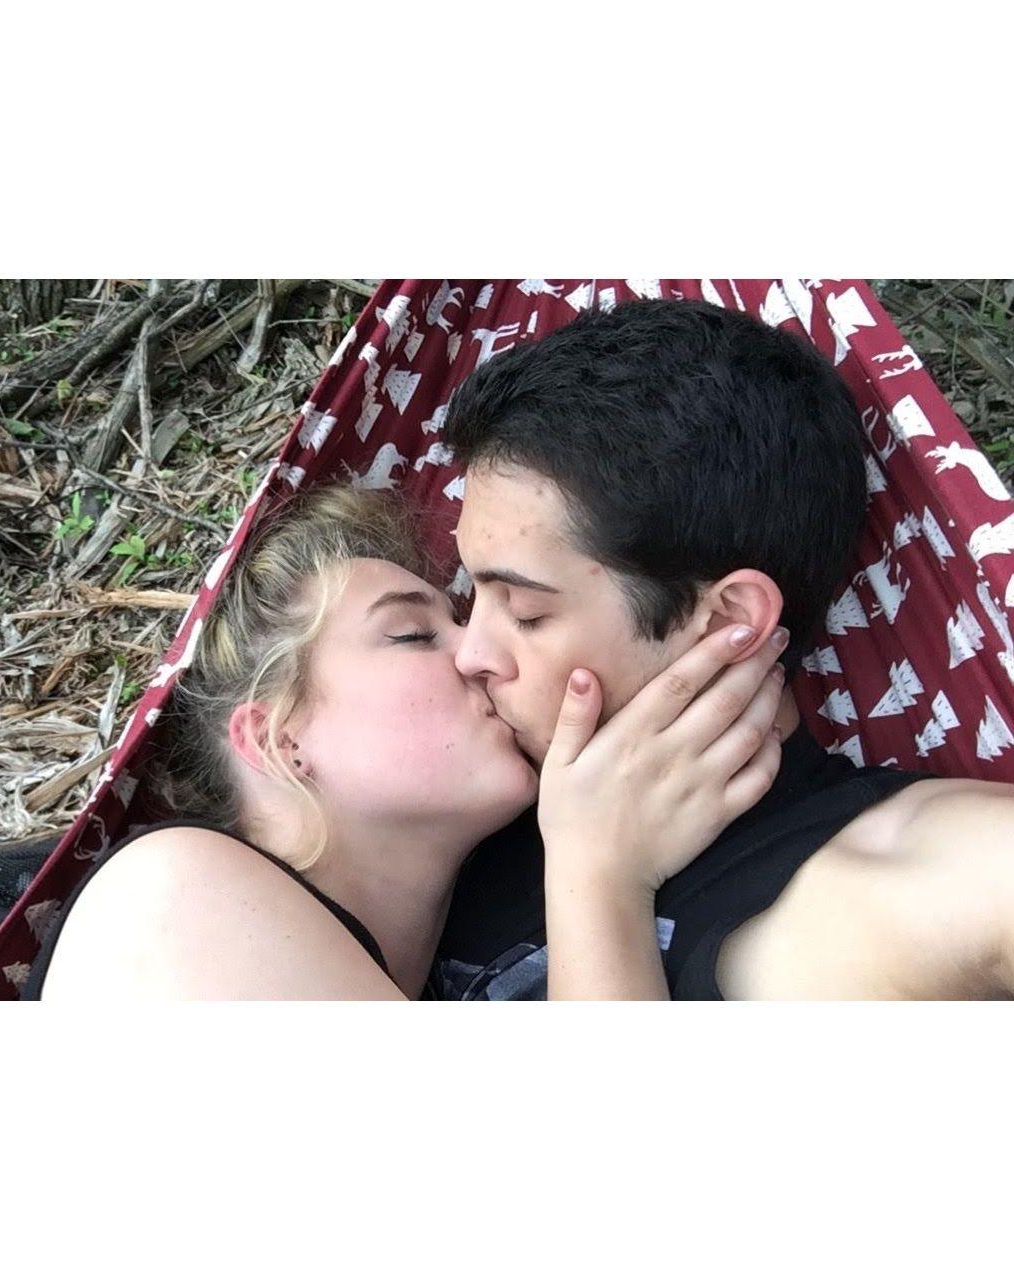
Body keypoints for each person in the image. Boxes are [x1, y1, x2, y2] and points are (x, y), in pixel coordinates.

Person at [434, 296, 1014, 1000]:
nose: (469, 653)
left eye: (524, 611)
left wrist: (597, 876)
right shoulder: (454, 801)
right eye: (469, 597)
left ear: (726, 623)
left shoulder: (893, 882)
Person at [31, 485, 787, 1000]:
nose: (477, 652)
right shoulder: (173, 899)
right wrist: (601, 877)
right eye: (413, 633)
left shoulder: (417, 958)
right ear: (278, 738)